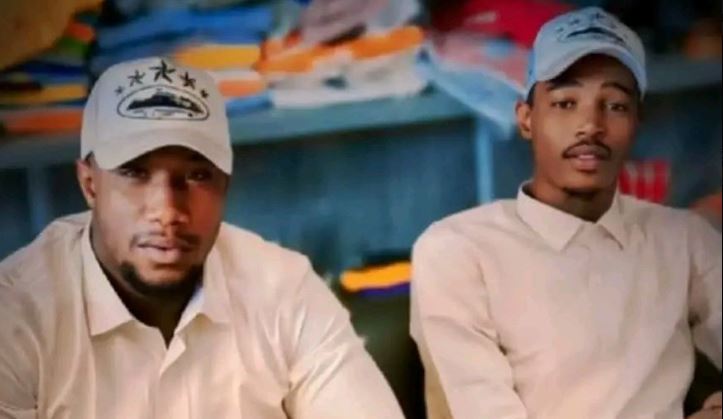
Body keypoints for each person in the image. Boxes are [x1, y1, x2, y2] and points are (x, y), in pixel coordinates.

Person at [0, 57, 405, 419]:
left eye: (196, 176)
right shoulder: (17, 316)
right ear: (90, 184)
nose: (167, 210)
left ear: (225, 184)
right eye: (135, 173)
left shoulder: (284, 289)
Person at [410, 7, 722, 419]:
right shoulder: (457, 250)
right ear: (526, 119)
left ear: (637, 122)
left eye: (615, 105)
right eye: (565, 102)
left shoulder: (684, 239)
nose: (590, 125)